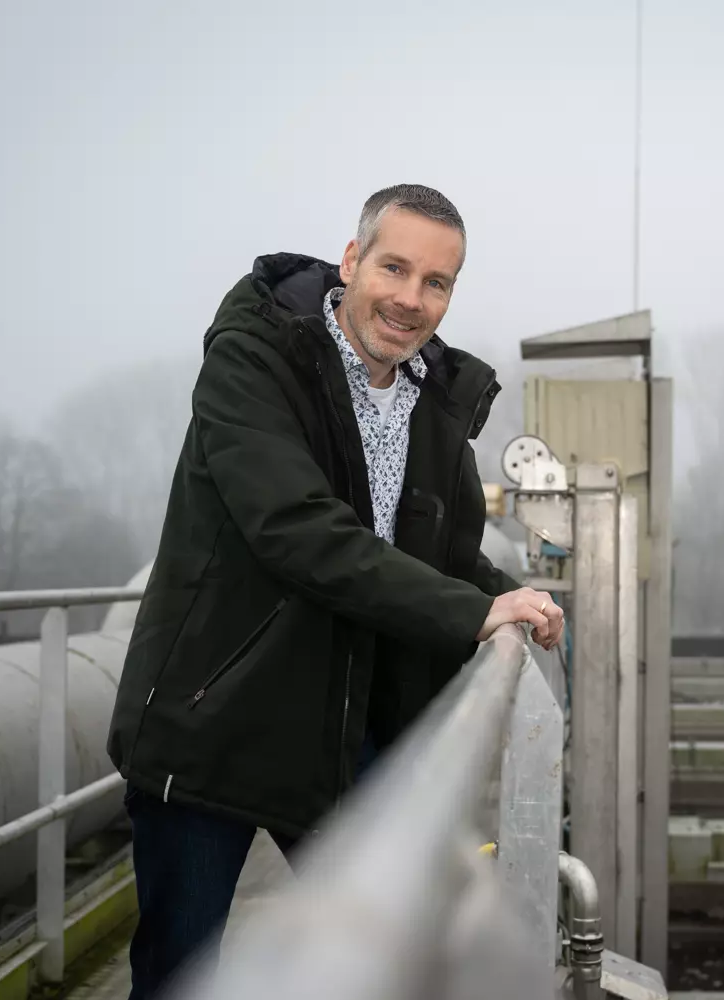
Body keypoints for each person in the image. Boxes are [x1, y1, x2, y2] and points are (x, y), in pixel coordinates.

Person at [105, 183, 564, 999]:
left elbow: (444, 552)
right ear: (351, 262)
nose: (411, 299)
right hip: (214, 715)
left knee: (397, 950)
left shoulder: (434, 397)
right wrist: (471, 611)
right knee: (179, 975)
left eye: (437, 282)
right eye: (395, 267)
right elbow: (296, 528)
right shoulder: (255, 359)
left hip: (339, 722)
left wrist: (510, 597)